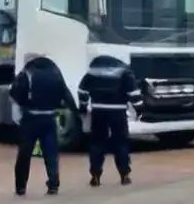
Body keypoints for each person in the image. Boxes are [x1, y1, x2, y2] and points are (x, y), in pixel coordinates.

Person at [9, 53, 76, 196]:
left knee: (24, 154)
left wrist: (21, 108)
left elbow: (15, 93)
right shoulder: (55, 73)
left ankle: (21, 187)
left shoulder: (27, 73)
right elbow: (65, 93)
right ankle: (53, 184)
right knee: (51, 153)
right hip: (49, 117)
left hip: (30, 119)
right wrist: (75, 111)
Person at [77, 56, 142, 187]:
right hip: (118, 111)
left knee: (97, 143)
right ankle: (124, 175)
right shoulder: (124, 73)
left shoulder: (92, 72)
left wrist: (83, 107)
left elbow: (82, 91)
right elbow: (134, 93)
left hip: (98, 110)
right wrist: (139, 109)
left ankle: (95, 175)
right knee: (121, 143)